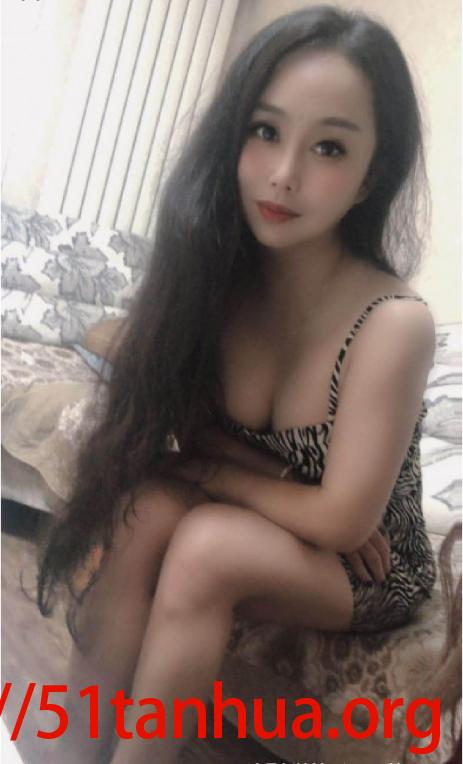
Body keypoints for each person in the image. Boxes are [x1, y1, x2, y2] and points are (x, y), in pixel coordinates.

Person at [36, 5, 438, 762]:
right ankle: (73, 754)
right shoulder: (216, 281)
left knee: (207, 545)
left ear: (370, 175)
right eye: (264, 130)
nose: (284, 173)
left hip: (370, 570)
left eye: (328, 147)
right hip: (285, 519)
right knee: (145, 511)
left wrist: (214, 472)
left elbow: (343, 523)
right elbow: (170, 407)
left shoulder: (391, 323)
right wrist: (257, 474)